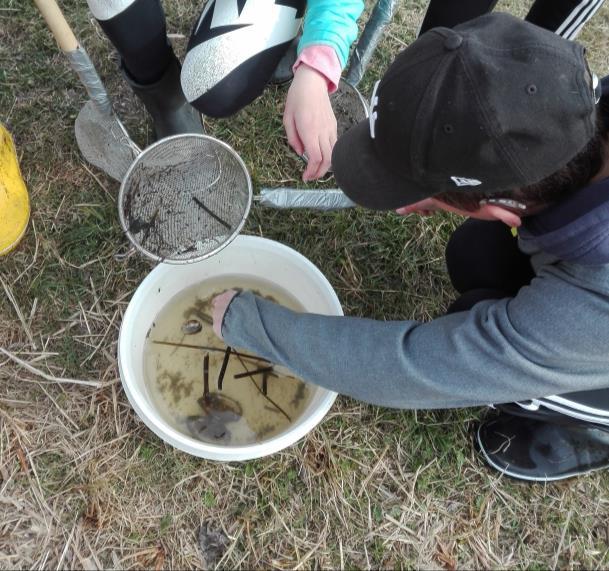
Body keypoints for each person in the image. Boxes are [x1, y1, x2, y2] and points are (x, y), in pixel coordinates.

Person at [209, 12, 609, 482]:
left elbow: (414, 366)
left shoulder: (590, 306)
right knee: (474, 257)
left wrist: (250, 324)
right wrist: (442, 185)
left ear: (505, 210)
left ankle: (591, 428)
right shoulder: (577, 104)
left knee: (504, 353)